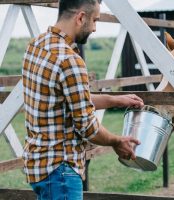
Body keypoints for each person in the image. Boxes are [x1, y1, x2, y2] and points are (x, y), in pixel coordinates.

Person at [22, 0, 144, 199]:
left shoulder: (35, 46)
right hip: (61, 171)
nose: (95, 28)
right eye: (95, 20)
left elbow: (69, 99)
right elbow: (87, 127)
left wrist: (115, 100)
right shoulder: (70, 60)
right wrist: (116, 141)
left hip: (39, 166)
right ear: (80, 17)